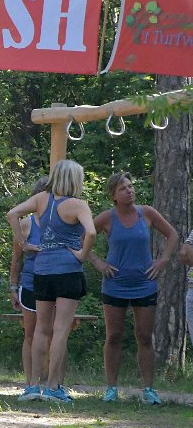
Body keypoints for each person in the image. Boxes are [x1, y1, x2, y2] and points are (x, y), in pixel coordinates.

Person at [6, 159, 95, 404]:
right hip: (68, 270)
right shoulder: (78, 205)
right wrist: (82, 255)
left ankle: (32, 386)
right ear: (75, 180)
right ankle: (54, 387)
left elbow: (12, 214)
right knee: (61, 329)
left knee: (40, 329)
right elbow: (91, 232)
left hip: (42, 271)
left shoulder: (41, 200)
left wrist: (24, 244)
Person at [89, 172, 176, 405]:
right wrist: (98, 262)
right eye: (123, 188)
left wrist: (163, 260)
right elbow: (82, 238)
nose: (129, 191)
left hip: (145, 284)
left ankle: (149, 389)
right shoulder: (107, 218)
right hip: (115, 284)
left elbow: (172, 234)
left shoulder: (146, 213)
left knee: (144, 336)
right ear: (114, 195)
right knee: (114, 335)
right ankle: (111, 389)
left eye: (130, 186)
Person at [9, 177, 49, 400]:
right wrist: (13, 287)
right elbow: (16, 259)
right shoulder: (25, 224)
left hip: (54, 284)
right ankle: (30, 383)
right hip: (30, 283)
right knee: (31, 333)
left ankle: (52, 383)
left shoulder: (62, 222)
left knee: (53, 333)